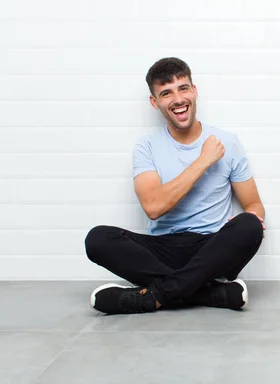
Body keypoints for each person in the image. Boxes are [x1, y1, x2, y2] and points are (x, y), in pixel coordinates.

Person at [84, 57, 266, 315]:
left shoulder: (228, 142)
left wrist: (256, 218)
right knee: (98, 238)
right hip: (162, 250)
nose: (178, 99)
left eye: (183, 88)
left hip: (211, 250)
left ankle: (152, 297)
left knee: (248, 225)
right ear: (154, 102)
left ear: (194, 91)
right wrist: (203, 161)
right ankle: (210, 293)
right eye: (166, 93)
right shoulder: (146, 147)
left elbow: (253, 204)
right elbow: (154, 207)